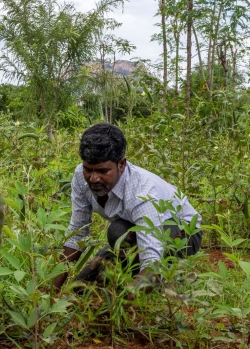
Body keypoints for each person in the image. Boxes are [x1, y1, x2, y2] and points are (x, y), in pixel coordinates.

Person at [53, 122, 202, 290]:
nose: (93, 178)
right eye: (89, 169)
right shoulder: (80, 178)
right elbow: (77, 232)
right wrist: (53, 287)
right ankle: (118, 260)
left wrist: (126, 298)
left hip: (184, 230)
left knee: (118, 234)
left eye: (103, 171)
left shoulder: (142, 193)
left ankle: (164, 276)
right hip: (132, 227)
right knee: (80, 287)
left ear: (121, 165)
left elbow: (151, 257)